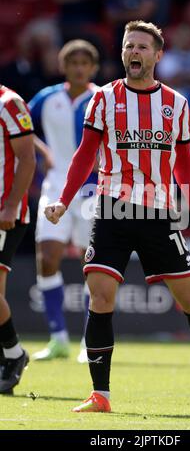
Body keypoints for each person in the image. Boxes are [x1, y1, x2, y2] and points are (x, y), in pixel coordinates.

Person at [44, 21, 190, 414]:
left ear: (158, 55)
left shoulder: (176, 103)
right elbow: (85, 156)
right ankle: (100, 395)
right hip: (111, 209)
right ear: (123, 53)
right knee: (101, 296)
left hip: (160, 214)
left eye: (142, 47)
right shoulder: (104, 99)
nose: (134, 52)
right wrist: (63, 200)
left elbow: (185, 162)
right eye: (129, 46)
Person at [28, 40, 100, 362]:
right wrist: (43, 152)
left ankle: (89, 340)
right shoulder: (47, 97)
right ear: (64, 66)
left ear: (94, 68)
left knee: (93, 264)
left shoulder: (102, 98)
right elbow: (21, 125)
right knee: (47, 258)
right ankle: (58, 337)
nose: (80, 67)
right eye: (74, 62)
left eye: (85, 62)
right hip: (55, 186)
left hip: (92, 190)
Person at [0, 84, 36, 394]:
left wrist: (11, 204)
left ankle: (13, 355)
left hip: (4, 213)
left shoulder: (9, 103)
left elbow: (27, 158)